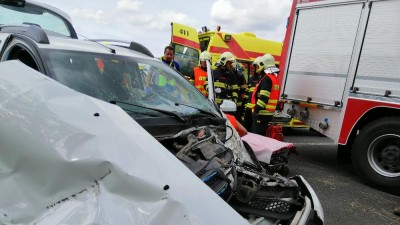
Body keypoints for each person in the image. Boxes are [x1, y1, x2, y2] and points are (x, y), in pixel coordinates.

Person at [250, 54, 280, 136]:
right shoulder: (273, 77)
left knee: (257, 136)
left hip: (262, 113)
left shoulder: (267, 78)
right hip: (267, 113)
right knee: (261, 136)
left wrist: (256, 110)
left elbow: (264, 97)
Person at [242, 56, 262, 130]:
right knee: (246, 129)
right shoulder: (251, 79)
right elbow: (247, 94)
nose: (256, 68)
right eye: (255, 66)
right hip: (248, 110)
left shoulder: (262, 79)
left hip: (256, 110)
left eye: (257, 66)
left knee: (254, 130)